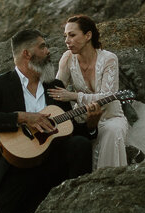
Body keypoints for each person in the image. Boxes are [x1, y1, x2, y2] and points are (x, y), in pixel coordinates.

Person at [0, 28, 102, 213]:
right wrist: (23, 117)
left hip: (51, 161)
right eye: (42, 46)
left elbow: (70, 130)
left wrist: (91, 125)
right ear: (27, 53)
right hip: (14, 168)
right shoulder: (0, 84)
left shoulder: (54, 85)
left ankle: (80, 205)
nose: (48, 51)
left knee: (80, 145)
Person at [49, 14, 130, 169]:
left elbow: (109, 96)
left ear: (88, 36)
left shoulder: (109, 59)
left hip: (110, 116)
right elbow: (57, 89)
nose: (67, 41)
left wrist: (74, 96)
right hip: (81, 120)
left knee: (113, 130)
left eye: (72, 35)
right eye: (65, 36)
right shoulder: (67, 58)